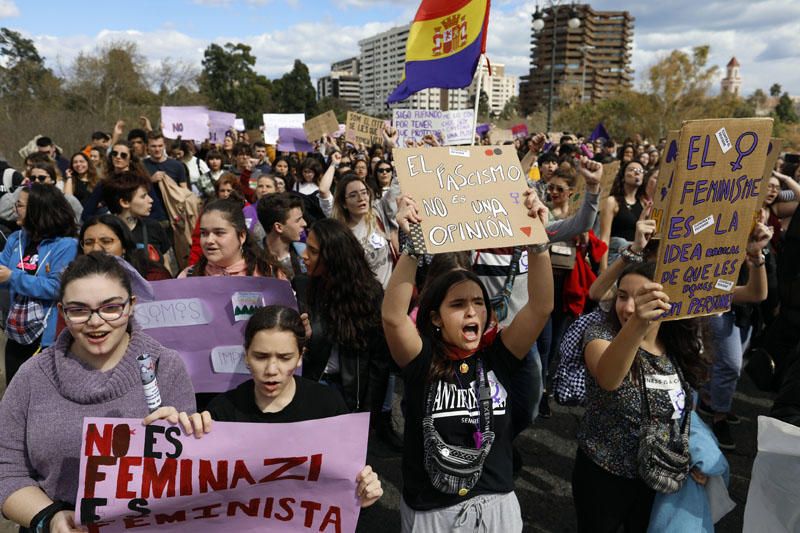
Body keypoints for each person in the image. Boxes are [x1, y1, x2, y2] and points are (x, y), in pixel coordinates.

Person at [382, 192, 553, 532]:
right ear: (435, 318)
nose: (472, 310)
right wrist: (413, 246)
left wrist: (537, 241)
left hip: (496, 509)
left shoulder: (498, 358)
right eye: (458, 304)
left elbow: (540, 307)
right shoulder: (421, 360)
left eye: (478, 301)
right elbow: (392, 316)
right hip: (432, 513)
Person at [0, 253, 196, 532]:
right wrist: (50, 517)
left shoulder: (166, 366)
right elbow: (7, 468)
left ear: (131, 306)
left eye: (111, 307)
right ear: (62, 311)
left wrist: (189, 438)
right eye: (79, 310)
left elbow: (189, 476)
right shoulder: (32, 376)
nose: (96, 321)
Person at [152, 305, 383, 510]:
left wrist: (362, 491)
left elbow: (345, 480)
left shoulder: (327, 405)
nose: (272, 369)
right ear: (246, 356)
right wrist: (174, 437)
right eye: (261, 356)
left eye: (284, 358)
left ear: (300, 357)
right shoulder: (221, 413)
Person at [574, 260, 711, 532]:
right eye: (622, 296)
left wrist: (694, 455)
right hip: (604, 477)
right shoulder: (600, 335)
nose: (627, 308)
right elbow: (610, 378)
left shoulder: (675, 346)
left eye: (641, 298)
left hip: (656, 480)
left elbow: (681, 412)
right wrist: (639, 322)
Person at [300, 218, 390, 417]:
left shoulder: (369, 295)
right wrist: (300, 338)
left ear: (335, 257)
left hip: (348, 395)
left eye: (313, 251)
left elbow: (379, 360)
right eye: (306, 247)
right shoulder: (302, 287)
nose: (304, 256)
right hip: (310, 387)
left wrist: (369, 414)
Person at [0, 184, 78, 384]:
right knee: (15, 397)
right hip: (17, 332)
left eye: (20, 205)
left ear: (38, 209)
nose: (15, 209)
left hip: (47, 338)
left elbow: (57, 288)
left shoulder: (66, 245)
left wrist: (12, 278)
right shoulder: (15, 239)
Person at [179, 198, 284, 278]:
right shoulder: (188, 277)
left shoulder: (269, 274)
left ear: (242, 236)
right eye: (204, 233)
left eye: (219, 233)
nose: (209, 240)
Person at [101, 171, 172, 265]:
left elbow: (165, 265)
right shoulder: (103, 234)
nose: (151, 200)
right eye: (143, 196)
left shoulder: (153, 227)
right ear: (125, 202)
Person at [79, 215, 172, 281]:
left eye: (106, 241)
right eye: (88, 243)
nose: (95, 248)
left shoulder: (152, 275)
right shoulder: (75, 278)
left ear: (124, 245)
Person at [599, 160, 648, 269]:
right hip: (615, 256)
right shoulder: (612, 202)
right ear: (622, 176)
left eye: (640, 171)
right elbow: (604, 237)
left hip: (635, 259)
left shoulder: (643, 204)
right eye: (632, 170)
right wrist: (603, 268)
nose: (637, 173)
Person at [257, 192, 307, 280]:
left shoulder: (305, 253)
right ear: (279, 227)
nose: (304, 223)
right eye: (298, 220)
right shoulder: (252, 257)